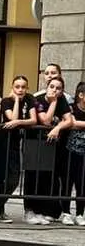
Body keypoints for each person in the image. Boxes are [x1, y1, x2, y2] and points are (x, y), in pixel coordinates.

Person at [0, 76, 37, 224]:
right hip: (2, 142)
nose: (20, 90)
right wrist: (16, 101)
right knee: (0, 178)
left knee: (14, 179)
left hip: (16, 144)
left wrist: (19, 122)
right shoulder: (6, 101)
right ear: (12, 87)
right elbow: (12, 119)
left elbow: (34, 120)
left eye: (23, 87)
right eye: (17, 87)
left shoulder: (29, 99)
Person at [26, 76, 73, 223]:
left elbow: (69, 120)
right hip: (35, 142)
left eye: (58, 88)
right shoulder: (38, 99)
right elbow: (45, 120)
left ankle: (47, 210)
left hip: (52, 144)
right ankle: (31, 210)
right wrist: (53, 103)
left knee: (48, 178)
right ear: (47, 87)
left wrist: (57, 128)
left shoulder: (62, 100)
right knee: (34, 177)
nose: (55, 90)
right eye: (52, 87)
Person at [65, 81, 85, 226]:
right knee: (67, 182)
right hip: (70, 151)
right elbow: (71, 123)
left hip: (84, 153)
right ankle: (66, 213)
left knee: (82, 184)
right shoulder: (72, 108)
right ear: (81, 95)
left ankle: (79, 214)